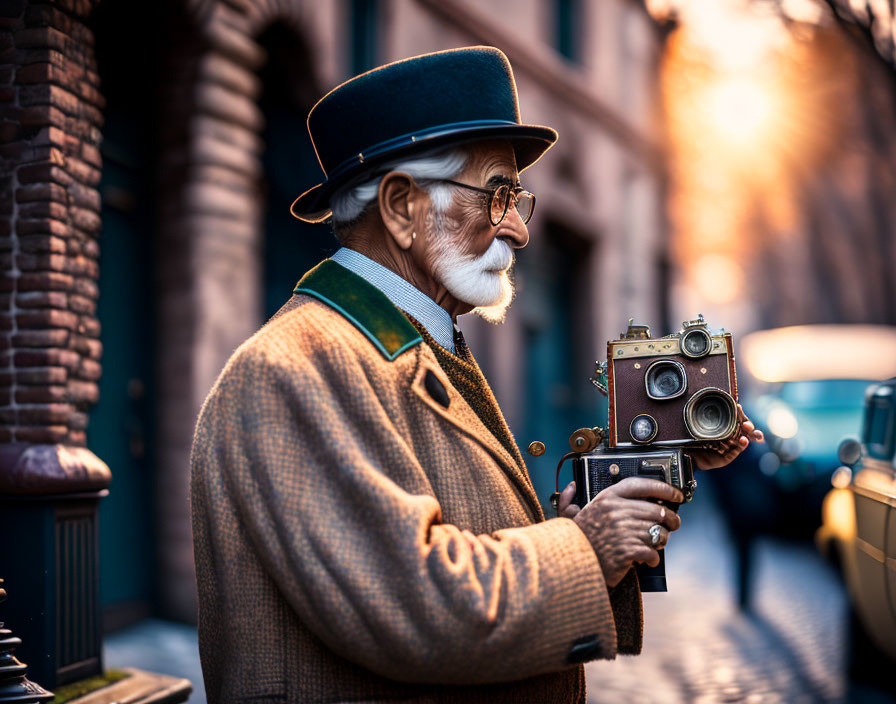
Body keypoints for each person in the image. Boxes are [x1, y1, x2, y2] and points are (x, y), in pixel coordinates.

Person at [190, 46, 762, 703]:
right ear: (402, 208)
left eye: (519, 198)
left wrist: (623, 494)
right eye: (497, 195)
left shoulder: (412, 344)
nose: (518, 230)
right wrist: (586, 549)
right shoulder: (293, 367)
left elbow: (465, 538)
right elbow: (415, 602)